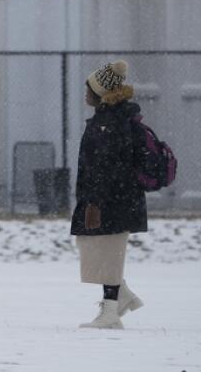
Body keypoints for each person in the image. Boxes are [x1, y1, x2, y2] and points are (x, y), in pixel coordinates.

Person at [71, 60, 146, 329]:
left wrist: (95, 202)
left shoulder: (111, 122)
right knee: (97, 248)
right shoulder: (110, 118)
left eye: (88, 88)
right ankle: (120, 297)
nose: (85, 93)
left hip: (112, 199)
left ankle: (111, 312)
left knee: (108, 250)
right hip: (113, 197)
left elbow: (107, 166)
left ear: (101, 91)